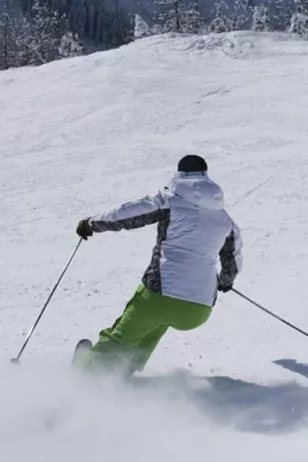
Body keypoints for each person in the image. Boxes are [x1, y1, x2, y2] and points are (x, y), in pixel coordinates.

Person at [74, 154, 242, 376]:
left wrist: (91, 224)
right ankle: (124, 371)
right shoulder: (225, 220)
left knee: (121, 337)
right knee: (156, 325)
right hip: (198, 309)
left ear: (179, 174)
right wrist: (224, 282)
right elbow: (234, 260)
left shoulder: (171, 200)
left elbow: (129, 214)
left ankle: (79, 380)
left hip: (160, 293)